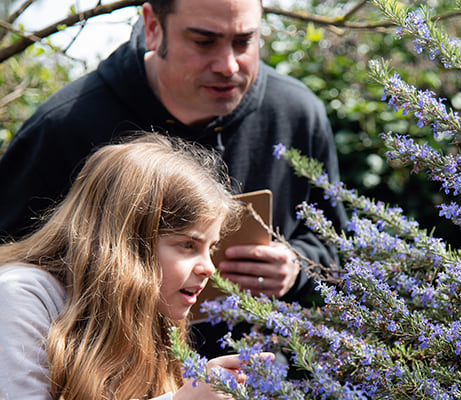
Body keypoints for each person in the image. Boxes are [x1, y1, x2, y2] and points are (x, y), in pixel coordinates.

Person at [0, 0, 346, 356]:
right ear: (153, 27)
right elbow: (15, 269)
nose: (227, 65)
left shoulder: (298, 113)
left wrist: (296, 266)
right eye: (203, 41)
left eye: (244, 41)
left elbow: (336, 246)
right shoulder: (63, 126)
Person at [0, 133, 274, 400]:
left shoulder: (152, 307)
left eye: (211, 248)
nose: (208, 268)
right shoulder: (20, 295)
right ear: (128, 242)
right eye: (188, 245)